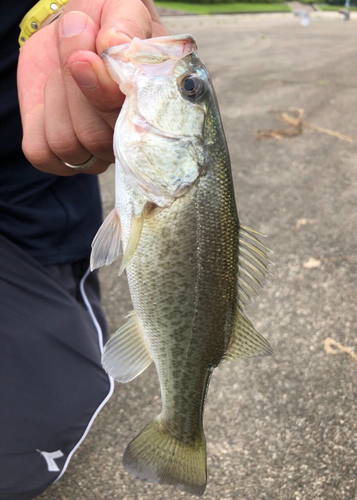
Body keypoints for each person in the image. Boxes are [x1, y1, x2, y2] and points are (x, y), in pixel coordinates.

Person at [0, 1, 167, 498]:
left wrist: (67, 7)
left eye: (188, 92)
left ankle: (178, 424)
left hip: (22, 209)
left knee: (29, 442)